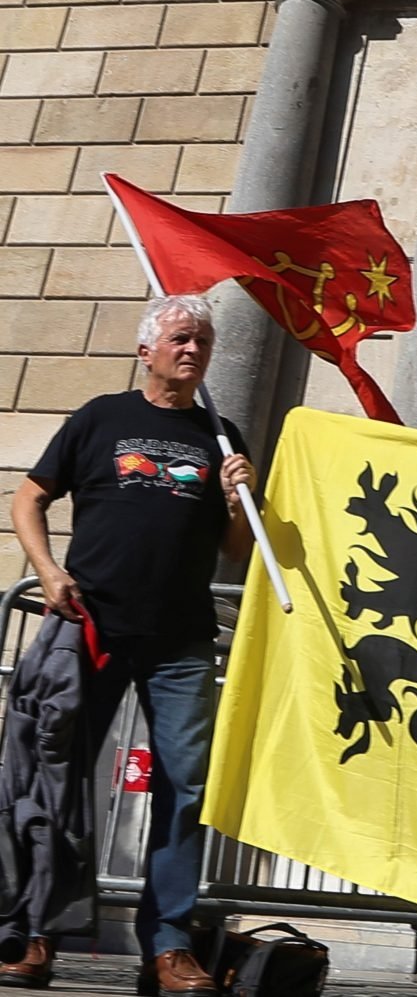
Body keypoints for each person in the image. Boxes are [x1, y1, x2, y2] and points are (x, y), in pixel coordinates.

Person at [8, 294, 255, 996]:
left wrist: (241, 500)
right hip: (92, 625)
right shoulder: (100, 417)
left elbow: (235, 551)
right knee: (59, 779)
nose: (194, 350)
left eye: (203, 341)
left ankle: (169, 944)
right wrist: (48, 571)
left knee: (183, 786)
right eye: (181, 337)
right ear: (146, 349)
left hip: (180, 639)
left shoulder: (222, 431)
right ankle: (37, 932)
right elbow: (28, 498)